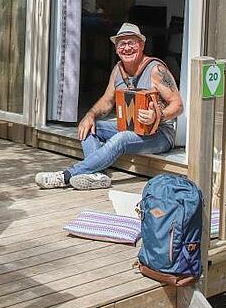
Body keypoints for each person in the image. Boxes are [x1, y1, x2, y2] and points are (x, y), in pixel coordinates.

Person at [35, 22, 183, 191]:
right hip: (130, 127)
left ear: (142, 45)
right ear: (116, 49)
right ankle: (97, 176)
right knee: (89, 128)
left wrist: (158, 116)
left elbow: (178, 105)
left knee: (121, 139)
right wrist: (90, 115)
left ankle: (66, 176)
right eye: (122, 44)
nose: (126, 48)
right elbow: (107, 101)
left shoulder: (156, 69)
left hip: (160, 134)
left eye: (131, 43)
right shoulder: (118, 70)